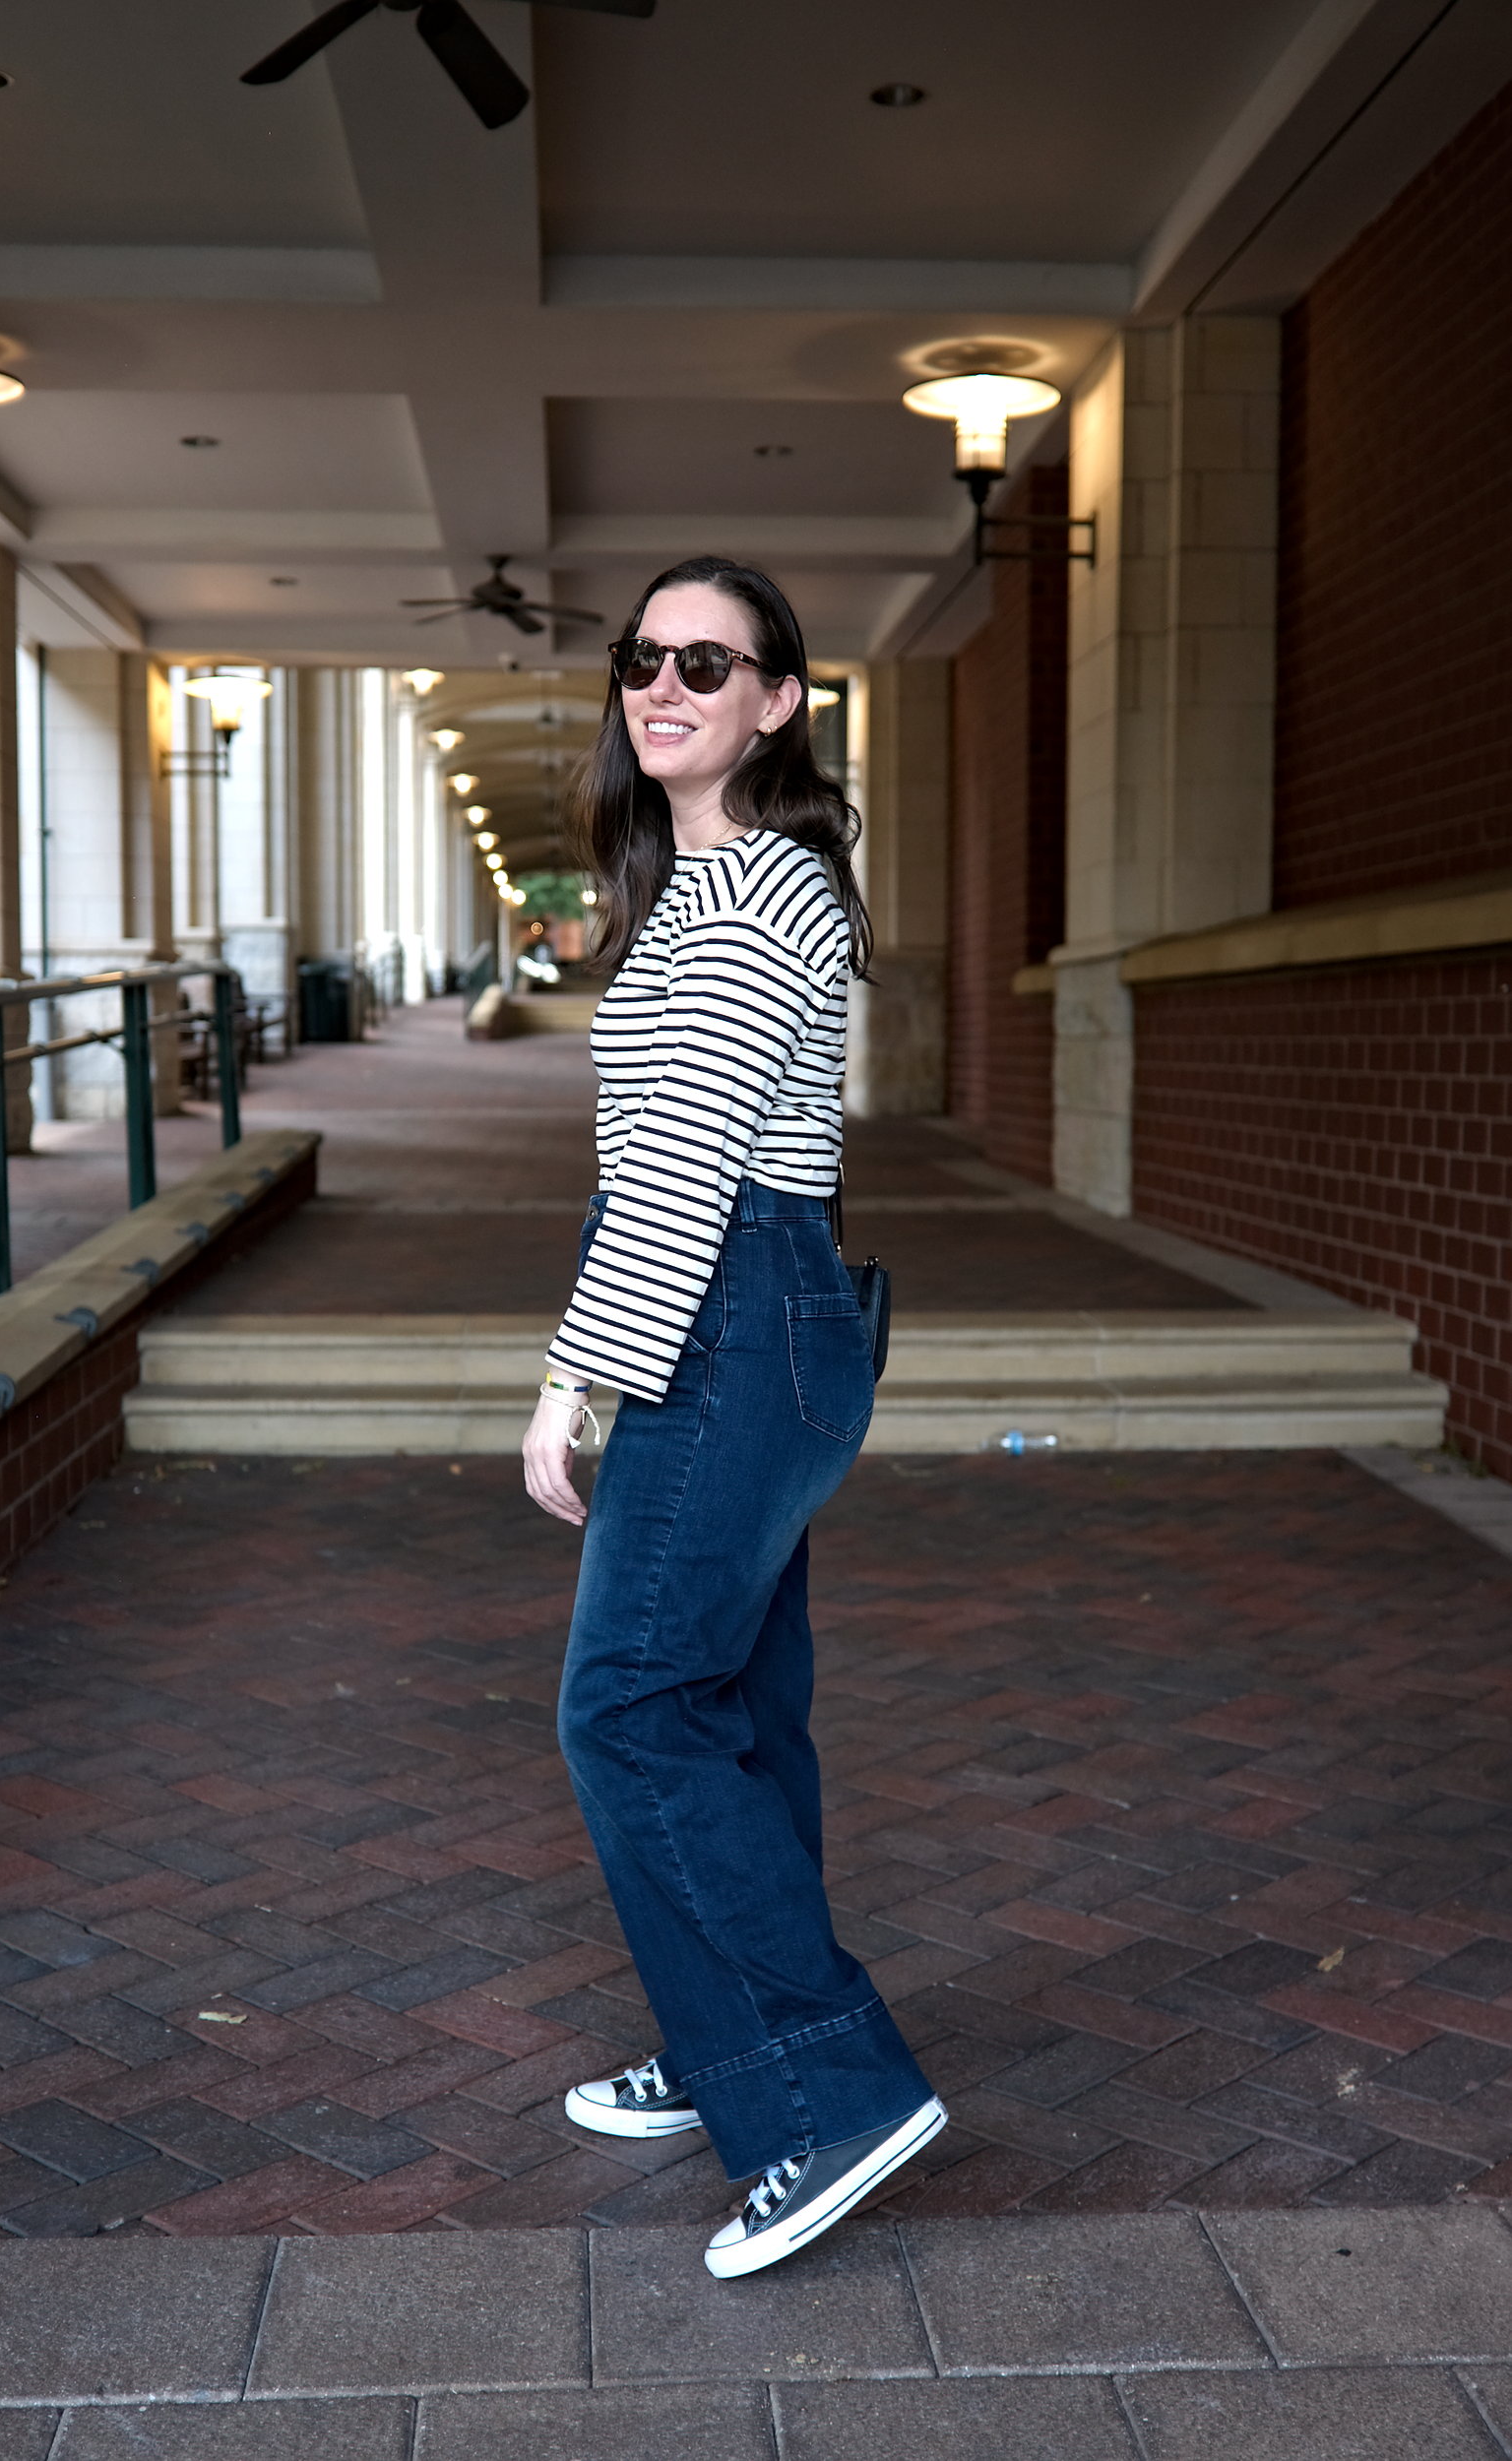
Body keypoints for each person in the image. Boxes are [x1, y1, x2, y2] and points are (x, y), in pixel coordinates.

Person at [521, 556, 945, 2279]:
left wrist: (571, 1381)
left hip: (727, 1310)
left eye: (709, 658)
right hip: (765, 1318)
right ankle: (731, 2054)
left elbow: (686, 1161)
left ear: (779, 700)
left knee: (626, 1706)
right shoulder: (715, 886)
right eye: (643, 656)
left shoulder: (753, 887)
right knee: (735, 1709)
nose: (663, 681)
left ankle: (827, 2092)